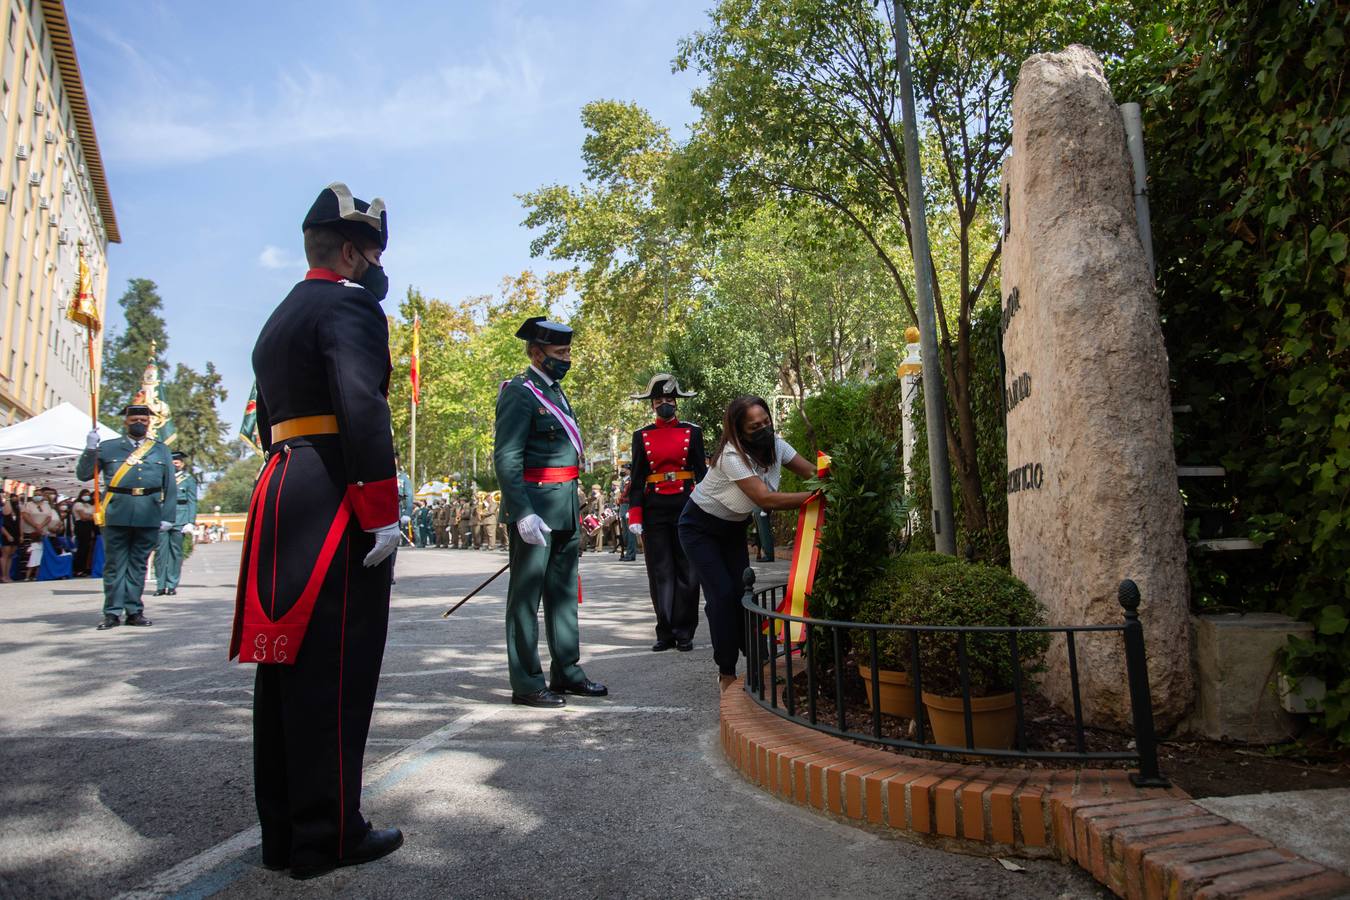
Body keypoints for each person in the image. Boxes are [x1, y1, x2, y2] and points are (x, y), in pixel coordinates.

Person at [227, 182, 403, 878]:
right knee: (337, 667)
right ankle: (329, 834)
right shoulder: (351, 305)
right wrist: (381, 509)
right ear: (357, 253)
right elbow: (363, 406)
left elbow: (274, 417)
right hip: (334, 487)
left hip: (282, 482)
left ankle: (285, 831)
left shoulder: (280, 316)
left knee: (286, 670)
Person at [494, 316, 607, 708]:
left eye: (568, 352)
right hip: (535, 510)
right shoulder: (520, 393)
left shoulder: (555, 393)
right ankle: (526, 682)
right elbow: (507, 457)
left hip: (563, 507)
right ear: (537, 353)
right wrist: (522, 511)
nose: (567, 359)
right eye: (560, 353)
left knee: (562, 596)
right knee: (525, 599)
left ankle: (567, 671)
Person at [678, 395, 815, 691]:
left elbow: (812, 473)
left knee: (743, 593)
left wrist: (833, 481)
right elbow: (765, 499)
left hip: (733, 528)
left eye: (766, 421)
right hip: (699, 528)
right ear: (740, 432)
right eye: (755, 426)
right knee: (723, 596)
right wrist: (817, 498)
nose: (764, 428)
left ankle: (757, 658)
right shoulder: (731, 456)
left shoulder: (778, 446)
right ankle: (726, 671)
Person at [628, 374, 708, 652]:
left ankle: (684, 632)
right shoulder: (641, 436)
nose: (665, 404)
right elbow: (637, 479)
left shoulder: (692, 432)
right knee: (660, 571)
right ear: (652, 405)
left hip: (687, 504)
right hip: (654, 509)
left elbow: (703, 474)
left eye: (669, 399)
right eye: (659, 400)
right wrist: (635, 515)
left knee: (687, 571)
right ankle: (665, 631)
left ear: (676, 402)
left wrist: (707, 508)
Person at [77, 407, 177, 624]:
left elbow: (170, 486)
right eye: (134, 419)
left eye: (143, 419)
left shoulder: (161, 450)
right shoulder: (108, 448)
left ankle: (134, 611)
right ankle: (112, 612)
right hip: (116, 513)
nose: (139, 422)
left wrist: (168, 516)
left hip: (149, 513)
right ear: (126, 422)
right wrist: (90, 448)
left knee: (139, 565)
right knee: (114, 565)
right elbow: (84, 474)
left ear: (150, 422)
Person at [155, 452, 198, 596]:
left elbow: (192, 500)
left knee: (176, 554)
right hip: (162, 517)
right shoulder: (161, 478)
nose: (175, 464)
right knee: (160, 554)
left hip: (180, 519)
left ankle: (172, 585)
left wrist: (191, 521)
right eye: (172, 462)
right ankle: (160, 585)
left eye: (177, 462)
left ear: (182, 464)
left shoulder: (188, 480)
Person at [71, 489, 98, 577]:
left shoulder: (89, 505)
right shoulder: (78, 504)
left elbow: (94, 515)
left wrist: (90, 517)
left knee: (87, 548)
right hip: (81, 525)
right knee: (82, 547)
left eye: (88, 494)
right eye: (85, 494)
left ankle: (84, 568)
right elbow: (83, 517)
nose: (87, 496)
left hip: (89, 526)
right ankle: (78, 569)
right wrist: (91, 517)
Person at [616, 464, 636, 561]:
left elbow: (629, 494)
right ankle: (628, 552)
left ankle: (631, 554)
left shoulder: (631, 480)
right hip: (623, 507)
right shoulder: (623, 481)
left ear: (629, 470)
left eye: (624, 468)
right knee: (625, 533)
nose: (622, 470)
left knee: (630, 532)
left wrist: (629, 509)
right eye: (622, 468)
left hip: (628, 506)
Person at [1, 494, 18, 581]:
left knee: (10, 555)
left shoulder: (17, 509)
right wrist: (7, 499)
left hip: (14, 533)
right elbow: (7, 512)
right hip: (6, 533)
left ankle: (7, 575)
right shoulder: (4, 508)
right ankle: (3, 575)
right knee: (5, 555)